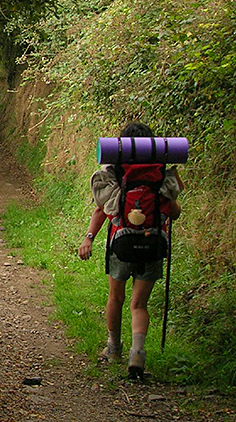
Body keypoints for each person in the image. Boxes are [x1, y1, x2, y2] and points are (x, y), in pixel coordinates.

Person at [78, 122, 184, 378]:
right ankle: (137, 353)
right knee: (139, 304)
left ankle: (113, 348)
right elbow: (175, 211)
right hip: (153, 244)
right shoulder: (160, 171)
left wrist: (89, 237)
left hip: (120, 244)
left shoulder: (114, 169)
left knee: (116, 298)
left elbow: (101, 209)